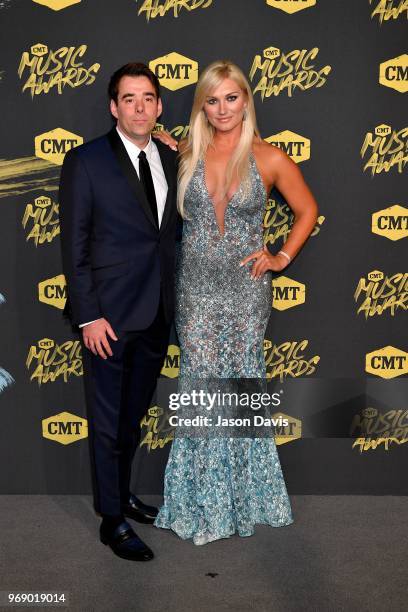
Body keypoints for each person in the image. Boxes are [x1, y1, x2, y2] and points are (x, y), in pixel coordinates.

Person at [154, 60, 319, 545]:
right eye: (212, 99)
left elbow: (307, 209)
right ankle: (202, 502)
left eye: (231, 97)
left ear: (245, 100)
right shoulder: (186, 152)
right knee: (202, 385)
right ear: (201, 105)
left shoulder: (269, 157)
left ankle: (245, 497)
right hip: (197, 290)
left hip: (246, 292)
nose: (223, 108)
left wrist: (280, 256)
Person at [59, 63, 178, 561]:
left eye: (148, 98)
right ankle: (112, 520)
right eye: (129, 99)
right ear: (113, 107)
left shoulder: (172, 158)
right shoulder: (85, 161)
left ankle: (124, 494)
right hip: (106, 317)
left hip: (155, 313)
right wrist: (89, 316)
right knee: (107, 422)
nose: (139, 107)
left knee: (132, 418)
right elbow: (75, 245)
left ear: (159, 106)